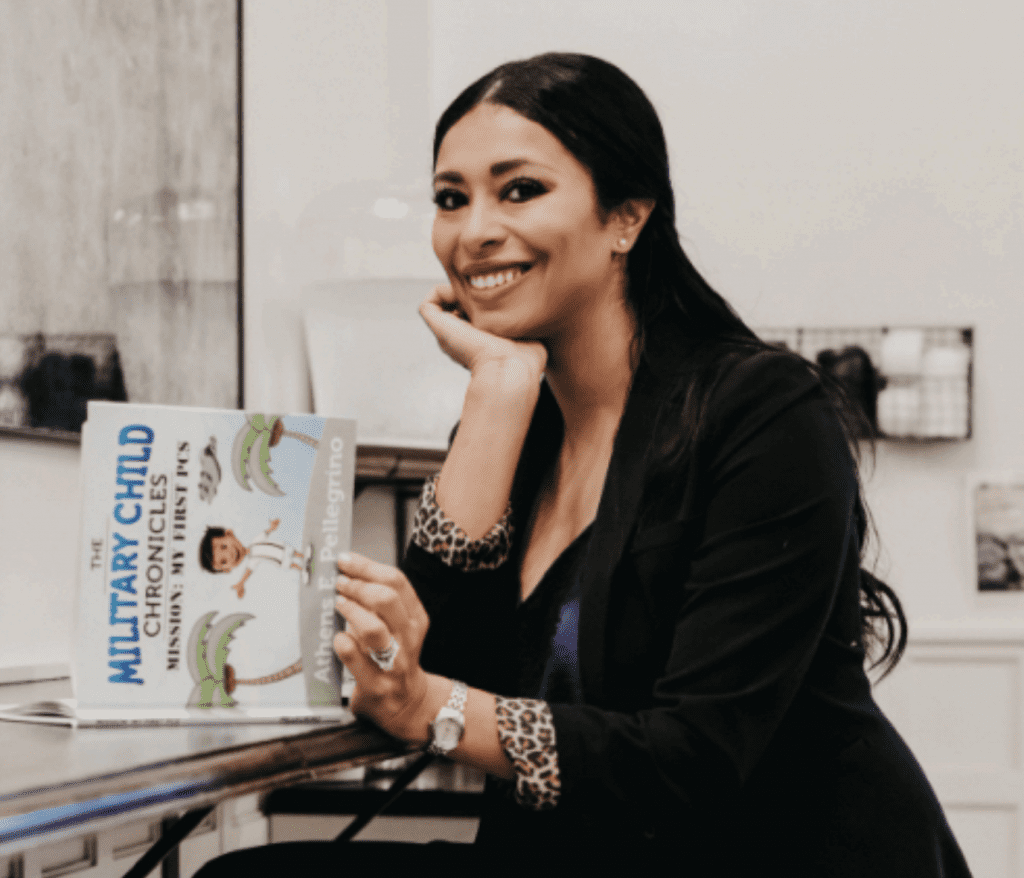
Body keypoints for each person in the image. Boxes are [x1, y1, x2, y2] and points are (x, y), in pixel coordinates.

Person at [198, 53, 971, 875]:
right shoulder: (517, 414)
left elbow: (692, 760)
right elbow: (439, 651)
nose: (473, 230)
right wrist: (496, 390)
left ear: (626, 218)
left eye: (519, 189)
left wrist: (431, 705)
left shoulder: (763, 411)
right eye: (451, 199)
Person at [198, 519, 308, 597]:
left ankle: (304, 556)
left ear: (230, 534)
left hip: (280, 547)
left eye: (224, 546)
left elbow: (265, 534)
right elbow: (248, 572)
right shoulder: (252, 560)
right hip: (277, 559)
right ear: (227, 569)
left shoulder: (254, 542)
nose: (230, 555)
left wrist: (272, 528)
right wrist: (241, 583)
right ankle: (302, 570)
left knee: (293, 552)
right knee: (290, 564)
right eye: (224, 561)